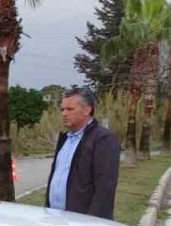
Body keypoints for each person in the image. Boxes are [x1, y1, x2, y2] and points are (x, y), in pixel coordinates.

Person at [45, 89, 121, 219]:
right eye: (62, 109)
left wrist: (93, 221)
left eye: (70, 109)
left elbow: (105, 186)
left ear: (87, 110)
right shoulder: (65, 139)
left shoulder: (103, 139)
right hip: (55, 217)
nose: (64, 114)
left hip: (82, 221)